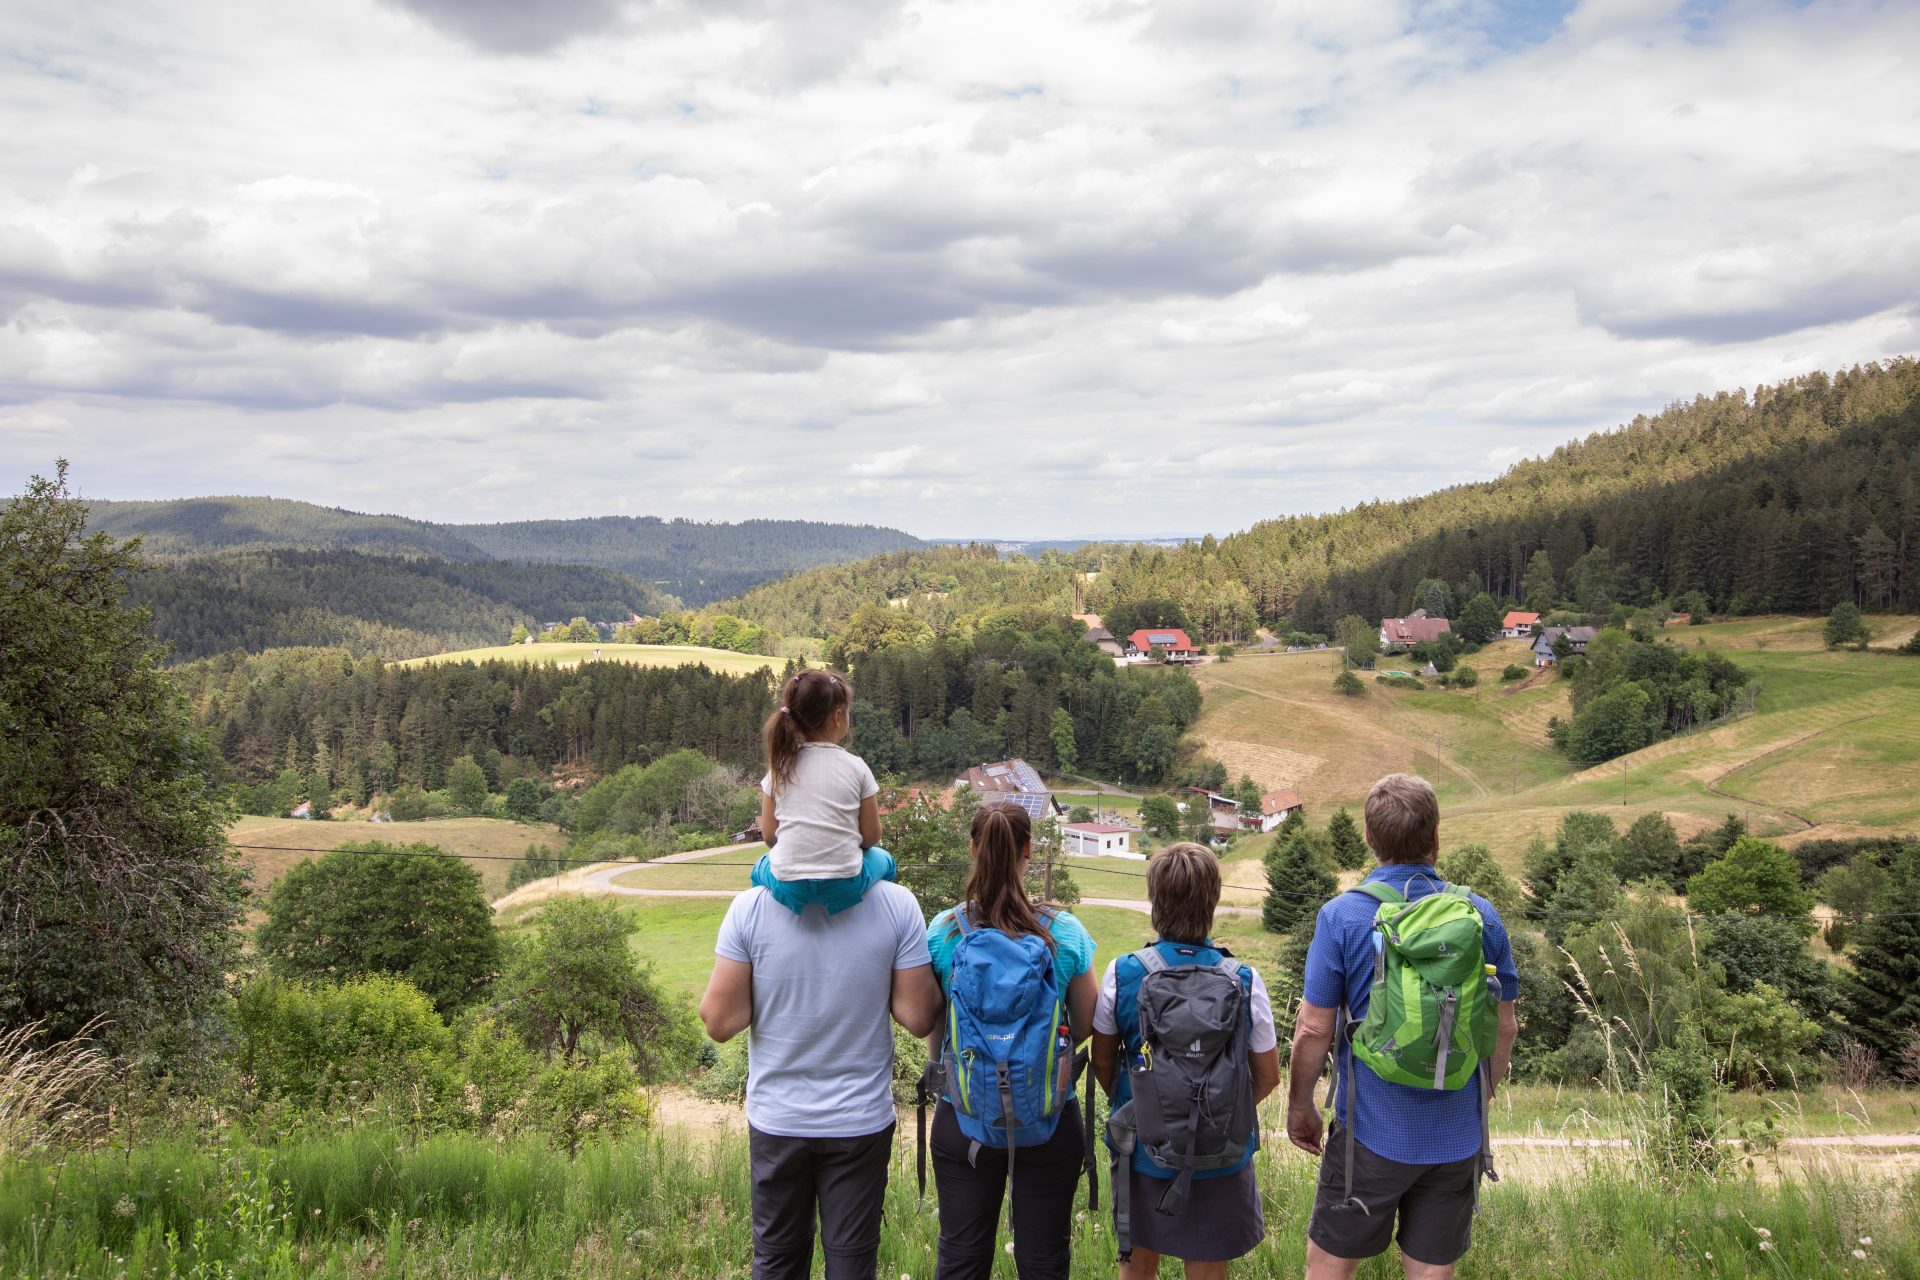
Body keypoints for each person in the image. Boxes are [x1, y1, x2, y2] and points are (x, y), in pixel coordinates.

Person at [1286, 773, 1520, 1280]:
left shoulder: (1342, 917)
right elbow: (1505, 1028)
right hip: (1456, 1135)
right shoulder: (1481, 916)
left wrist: (1300, 1105)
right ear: (1436, 837)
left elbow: (1313, 1030)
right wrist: (1481, 1096)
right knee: (1432, 1271)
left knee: (1328, 1265)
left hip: (1370, 1132)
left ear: (1370, 838)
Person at [700, 828, 942, 1279]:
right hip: (859, 1121)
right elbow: (918, 1018)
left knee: (777, 1262)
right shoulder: (897, 904)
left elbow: (719, 1022)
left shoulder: (750, 908)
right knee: (852, 1265)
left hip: (779, 1121)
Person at [1091, 841, 1282, 1280]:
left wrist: (1144, 1107)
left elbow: (1102, 1061)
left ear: (1155, 898)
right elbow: (1269, 1076)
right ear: (1213, 900)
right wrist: (1219, 1112)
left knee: (1137, 1270)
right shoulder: (1245, 979)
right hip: (1223, 1154)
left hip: (1143, 1149)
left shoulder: (1123, 972)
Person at [924, 803, 1099, 1280]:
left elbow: (931, 1023)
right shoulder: (1064, 932)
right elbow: (1086, 1024)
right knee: (1043, 1262)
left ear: (973, 849)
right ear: (1029, 850)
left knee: (961, 1259)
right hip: (1047, 1116)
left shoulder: (944, 932)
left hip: (963, 1116)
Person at [751, 669, 894, 915]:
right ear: (838, 716)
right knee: (886, 861)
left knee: (759, 867)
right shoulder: (857, 766)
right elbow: (871, 837)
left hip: (789, 887)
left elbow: (770, 836)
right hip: (845, 887)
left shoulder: (779, 767)